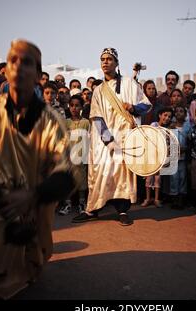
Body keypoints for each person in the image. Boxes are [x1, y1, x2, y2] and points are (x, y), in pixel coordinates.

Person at [0, 39, 77, 298]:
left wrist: (33, 194)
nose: (20, 69)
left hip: (34, 197)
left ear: (37, 75)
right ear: (6, 72)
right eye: (14, 62)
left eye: (28, 64)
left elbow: (64, 172)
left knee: (34, 251)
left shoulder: (50, 120)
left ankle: (28, 270)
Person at [72, 47, 150, 226]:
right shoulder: (99, 90)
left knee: (122, 175)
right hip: (103, 140)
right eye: (102, 59)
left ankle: (122, 211)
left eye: (109, 59)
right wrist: (109, 141)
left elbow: (147, 105)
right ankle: (92, 210)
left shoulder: (130, 83)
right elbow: (96, 116)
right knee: (100, 172)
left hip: (125, 138)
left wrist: (134, 108)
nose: (105, 62)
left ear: (116, 63)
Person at [141, 107, 173, 208]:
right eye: (165, 115)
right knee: (148, 178)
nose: (167, 118)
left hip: (161, 157)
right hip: (151, 156)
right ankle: (147, 198)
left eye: (169, 117)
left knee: (158, 178)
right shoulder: (153, 125)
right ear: (160, 115)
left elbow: (168, 144)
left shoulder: (168, 130)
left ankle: (156, 199)